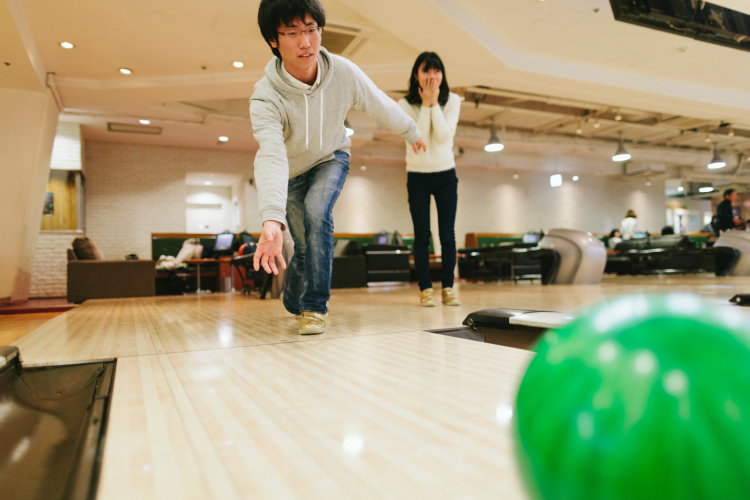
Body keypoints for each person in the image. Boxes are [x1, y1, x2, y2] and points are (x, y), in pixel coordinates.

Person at [251, 0, 426, 334]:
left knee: (318, 213)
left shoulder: (342, 72)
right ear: (274, 40)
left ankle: (315, 308)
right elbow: (271, 154)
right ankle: (296, 299)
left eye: (312, 30)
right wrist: (271, 219)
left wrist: (411, 131)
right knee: (303, 247)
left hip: (332, 157)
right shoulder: (265, 97)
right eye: (292, 33)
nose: (306, 42)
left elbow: (379, 103)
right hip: (290, 173)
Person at [398, 52, 462, 307]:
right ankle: (426, 289)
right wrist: (426, 104)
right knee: (422, 236)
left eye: (436, 71)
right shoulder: (404, 104)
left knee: (447, 235)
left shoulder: (453, 100)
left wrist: (434, 103)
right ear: (416, 75)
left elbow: (445, 138)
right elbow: (419, 141)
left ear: (442, 75)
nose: (432, 77)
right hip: (418, 177)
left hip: (446, 174)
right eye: (426, 71)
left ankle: (448, 287)